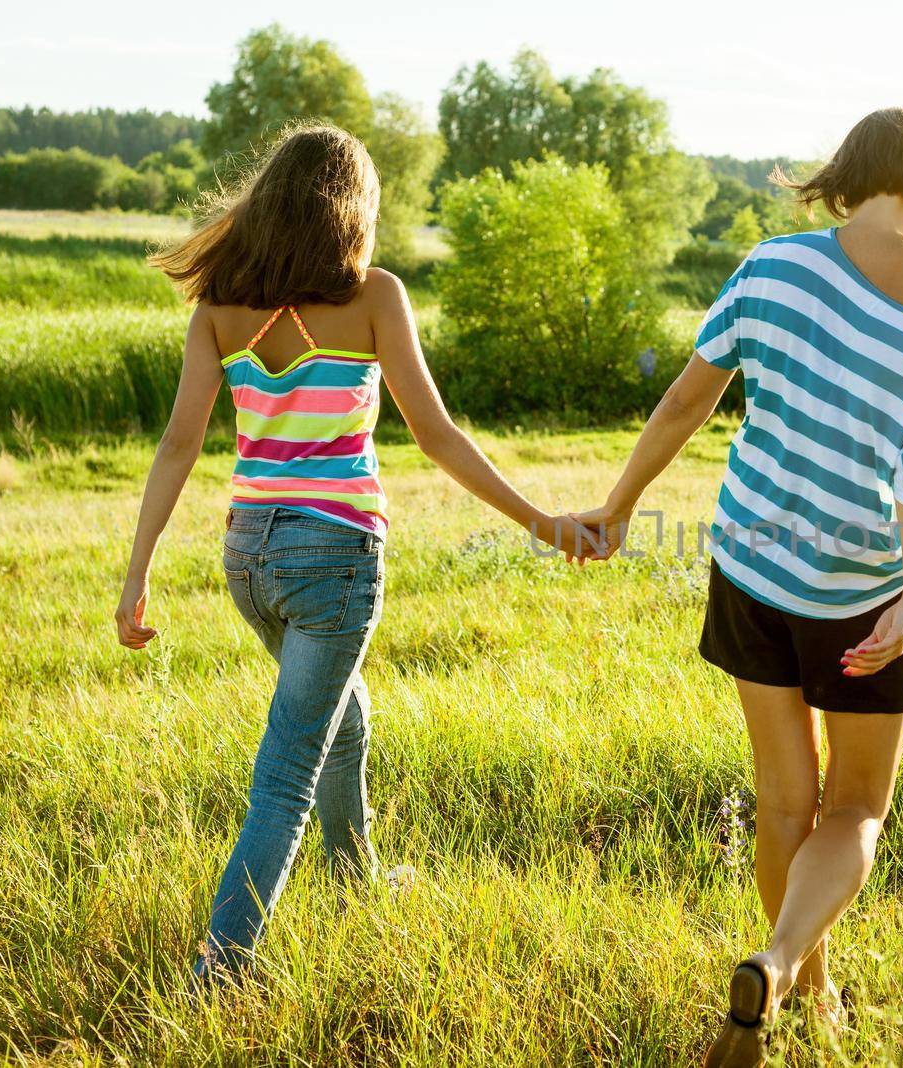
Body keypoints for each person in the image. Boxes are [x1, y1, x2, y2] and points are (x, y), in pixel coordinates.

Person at [114, 125, 582, 986]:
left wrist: (137, 574)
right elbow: (436, 434)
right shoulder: (374, 297)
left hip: (248, 556)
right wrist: (539, 519)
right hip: (332, 553)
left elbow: (179, 446)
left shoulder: (219, 308)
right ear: (351, 211)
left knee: (340, 715)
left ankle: (355, 876)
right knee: (287, 770)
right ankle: (222, 968)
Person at [572, 107, 903, 1066]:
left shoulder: (770, 265)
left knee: (783, 804)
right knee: (856, 812)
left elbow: (687, 397)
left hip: (750, 567)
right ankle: (786, 960)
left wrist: (621, 502)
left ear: (851, 171)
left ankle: (808, 990)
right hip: (858, 586)